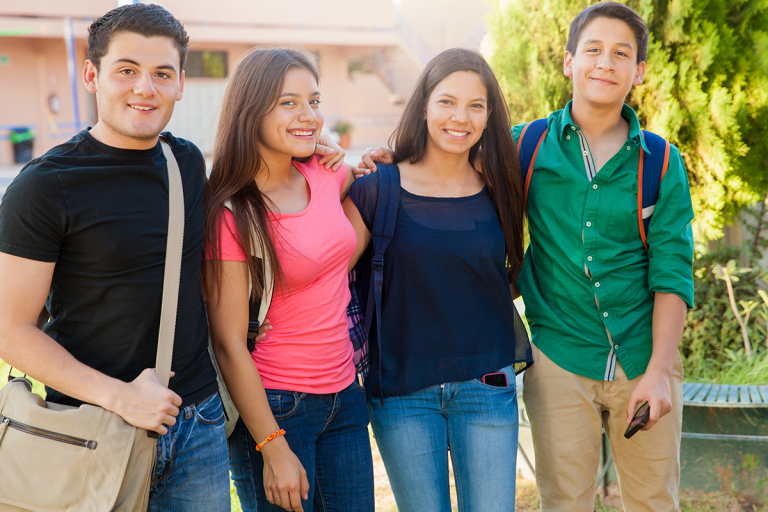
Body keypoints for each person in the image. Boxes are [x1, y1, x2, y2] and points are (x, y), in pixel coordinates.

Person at [0, 5, 345, 511]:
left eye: (162, 73)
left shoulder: (185, 161)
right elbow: (10, 330)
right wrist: (118, 396)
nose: (145, 88)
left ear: (180, 83)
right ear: (92, 75)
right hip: (94, 427)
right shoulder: (44, 187)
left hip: (199, 425)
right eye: (127, 70)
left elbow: (265, 191)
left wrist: (317, 146)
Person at [357, 4, 694, 511]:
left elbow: (673, 273)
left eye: (621, 54)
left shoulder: (662, 161)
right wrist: (389, 163)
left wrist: (660, 371)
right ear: (569, 61)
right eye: (593, 50)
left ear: (639, 70)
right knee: (562, 503)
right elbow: (447, 169)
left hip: (644, 356)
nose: (605, 63)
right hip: (559, 356)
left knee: (654, 503)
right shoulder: (525, 146)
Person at [343, 48, 532, 512]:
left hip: (486, 384)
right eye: (447, 101)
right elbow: (324, 276)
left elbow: (508, 276)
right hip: (401, 391)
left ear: (490, 115)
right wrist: (339, 173)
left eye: (475, 105)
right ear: (424, 105)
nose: (460, 117)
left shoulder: (501, 190)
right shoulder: (375, 189)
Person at [203, 48, 373, 512]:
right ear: (250, 112)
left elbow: (341, 241)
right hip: (277, 404)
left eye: (314, 101)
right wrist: (272, 445)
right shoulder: (232, 212)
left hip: (345, 395)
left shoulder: (325, 174)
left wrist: (374, 161)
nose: (309, 116)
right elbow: (228, 343)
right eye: (288, 103)